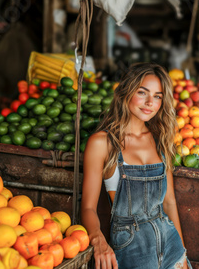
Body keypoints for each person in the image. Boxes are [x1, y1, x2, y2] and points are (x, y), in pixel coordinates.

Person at [81, 63, 191, 269]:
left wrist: (182, 254)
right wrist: (98, 239)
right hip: (132, 247)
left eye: (158, 96)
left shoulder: (161, 139)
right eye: (143, 92)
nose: (150, 102)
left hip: (170, 244)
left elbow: (169, 203)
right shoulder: (103, 143)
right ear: (126, 91)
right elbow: (87, 207)